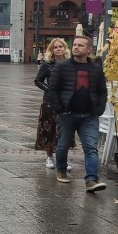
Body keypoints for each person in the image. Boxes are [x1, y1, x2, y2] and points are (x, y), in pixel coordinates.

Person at [46, 35, 108, 193]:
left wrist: (99, 109)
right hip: (67, 114)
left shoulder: (95, 67)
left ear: (89, 49)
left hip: (89, 115)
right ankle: (61, 169)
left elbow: (102, 91)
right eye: (74, 45)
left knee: (91, 147)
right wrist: (60, 109)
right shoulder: (62, 66)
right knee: (63, 145)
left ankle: (91, 180)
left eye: (80, 45)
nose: (76, 47)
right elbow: (52, 90)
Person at [34, 38, 72, 169]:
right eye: (55, 47)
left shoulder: (70, 64)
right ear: (52, 50)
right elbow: (38, 80)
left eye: (61, 46)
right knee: (49, 130)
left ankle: (63, 160)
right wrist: (49, 89)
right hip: (50, 102)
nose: (58, 49)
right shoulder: (47, 65)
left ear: (65, 48)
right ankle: (49, 157)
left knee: (65, 130)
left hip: (66, 101)